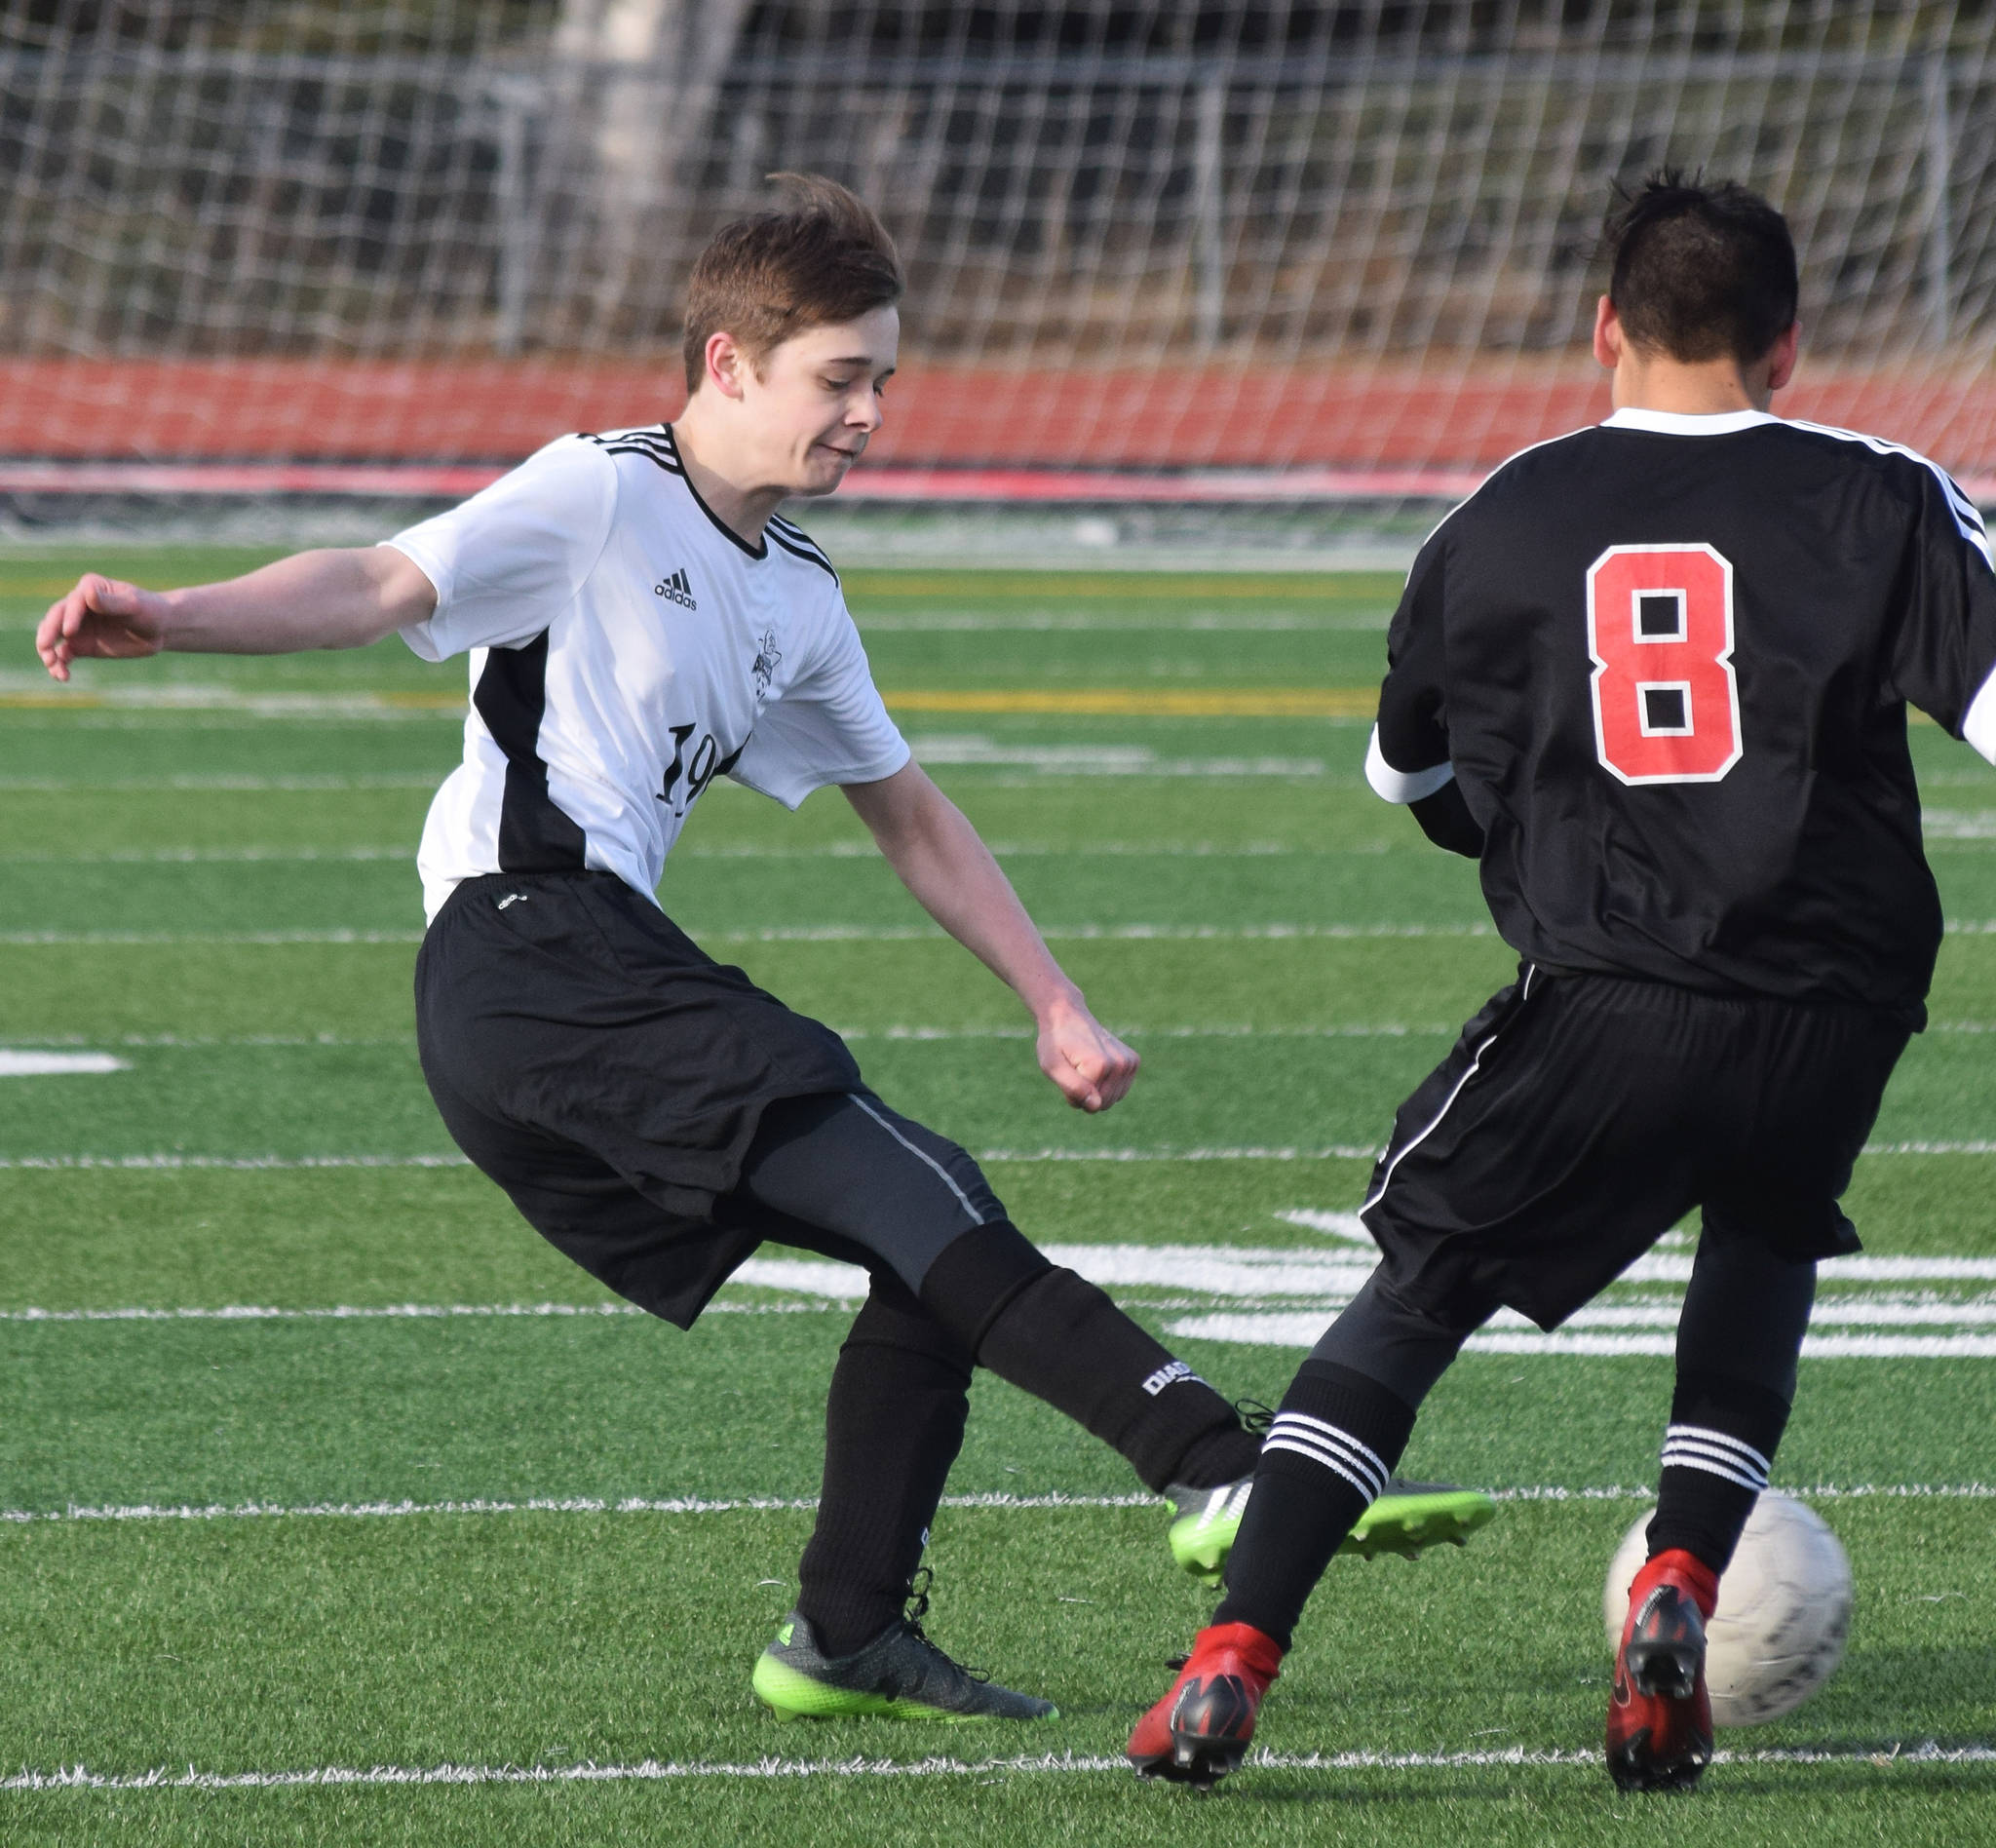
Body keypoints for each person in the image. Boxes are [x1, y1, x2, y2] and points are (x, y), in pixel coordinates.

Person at [37, 174, 1486, 1722]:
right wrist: (170, 611)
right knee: (902, 1169)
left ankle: (844, 1631)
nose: (868, 414)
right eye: (838, 380)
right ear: (728, 363)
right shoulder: (599, 488)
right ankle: (1215, 1464)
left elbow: (910, 812)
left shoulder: (795, 590)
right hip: (528, 950)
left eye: (882, 382)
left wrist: (1054, 1001)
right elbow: (383, 583)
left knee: (925, 1244)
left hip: (578, 977)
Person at [1128, 170, 1996, 1791]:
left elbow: (1405, 777)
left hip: (1610, 984)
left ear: (1605, 328)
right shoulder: (1886, 492)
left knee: (1419, 1292)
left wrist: (1517, 839)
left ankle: (1232, 1655)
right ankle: (1680, 1574)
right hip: (1838, 1002)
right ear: (1789, 346)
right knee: (1762, 1239)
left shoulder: (1504, 510)